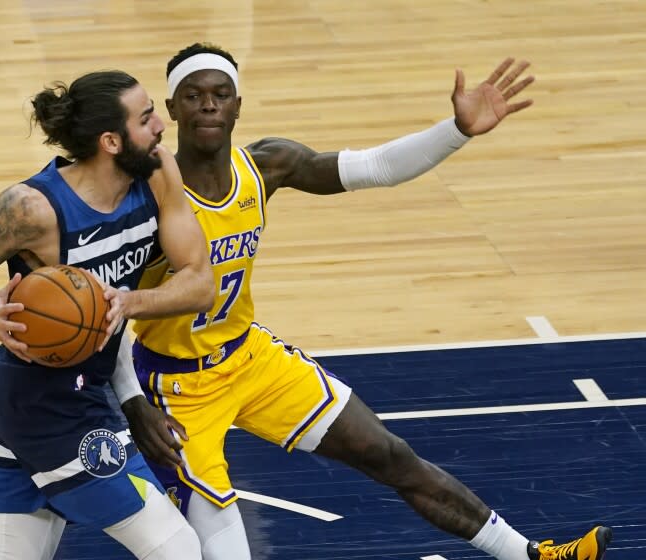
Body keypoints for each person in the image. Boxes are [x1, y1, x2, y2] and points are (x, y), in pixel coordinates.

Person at [125, 43, 613, 560]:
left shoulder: (266, 167)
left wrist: (456, 131)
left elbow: (374, 166)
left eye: (220, 94)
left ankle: (530, 555)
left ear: (238, 106)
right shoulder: (146, 199)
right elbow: (106, 313)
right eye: (193, 95)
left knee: (388, 453)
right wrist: (133, 403)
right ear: (172, 109)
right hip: (176, 386)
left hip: (248, 357)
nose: (208, 105)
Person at [0, 69, 215, 559]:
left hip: (81, 390)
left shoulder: (159, 172)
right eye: (146, 119)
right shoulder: (32, 208)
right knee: (176, 547)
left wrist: (129, 314)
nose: (162, 125)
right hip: (41, 401)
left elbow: (200, 283)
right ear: (111, 141)